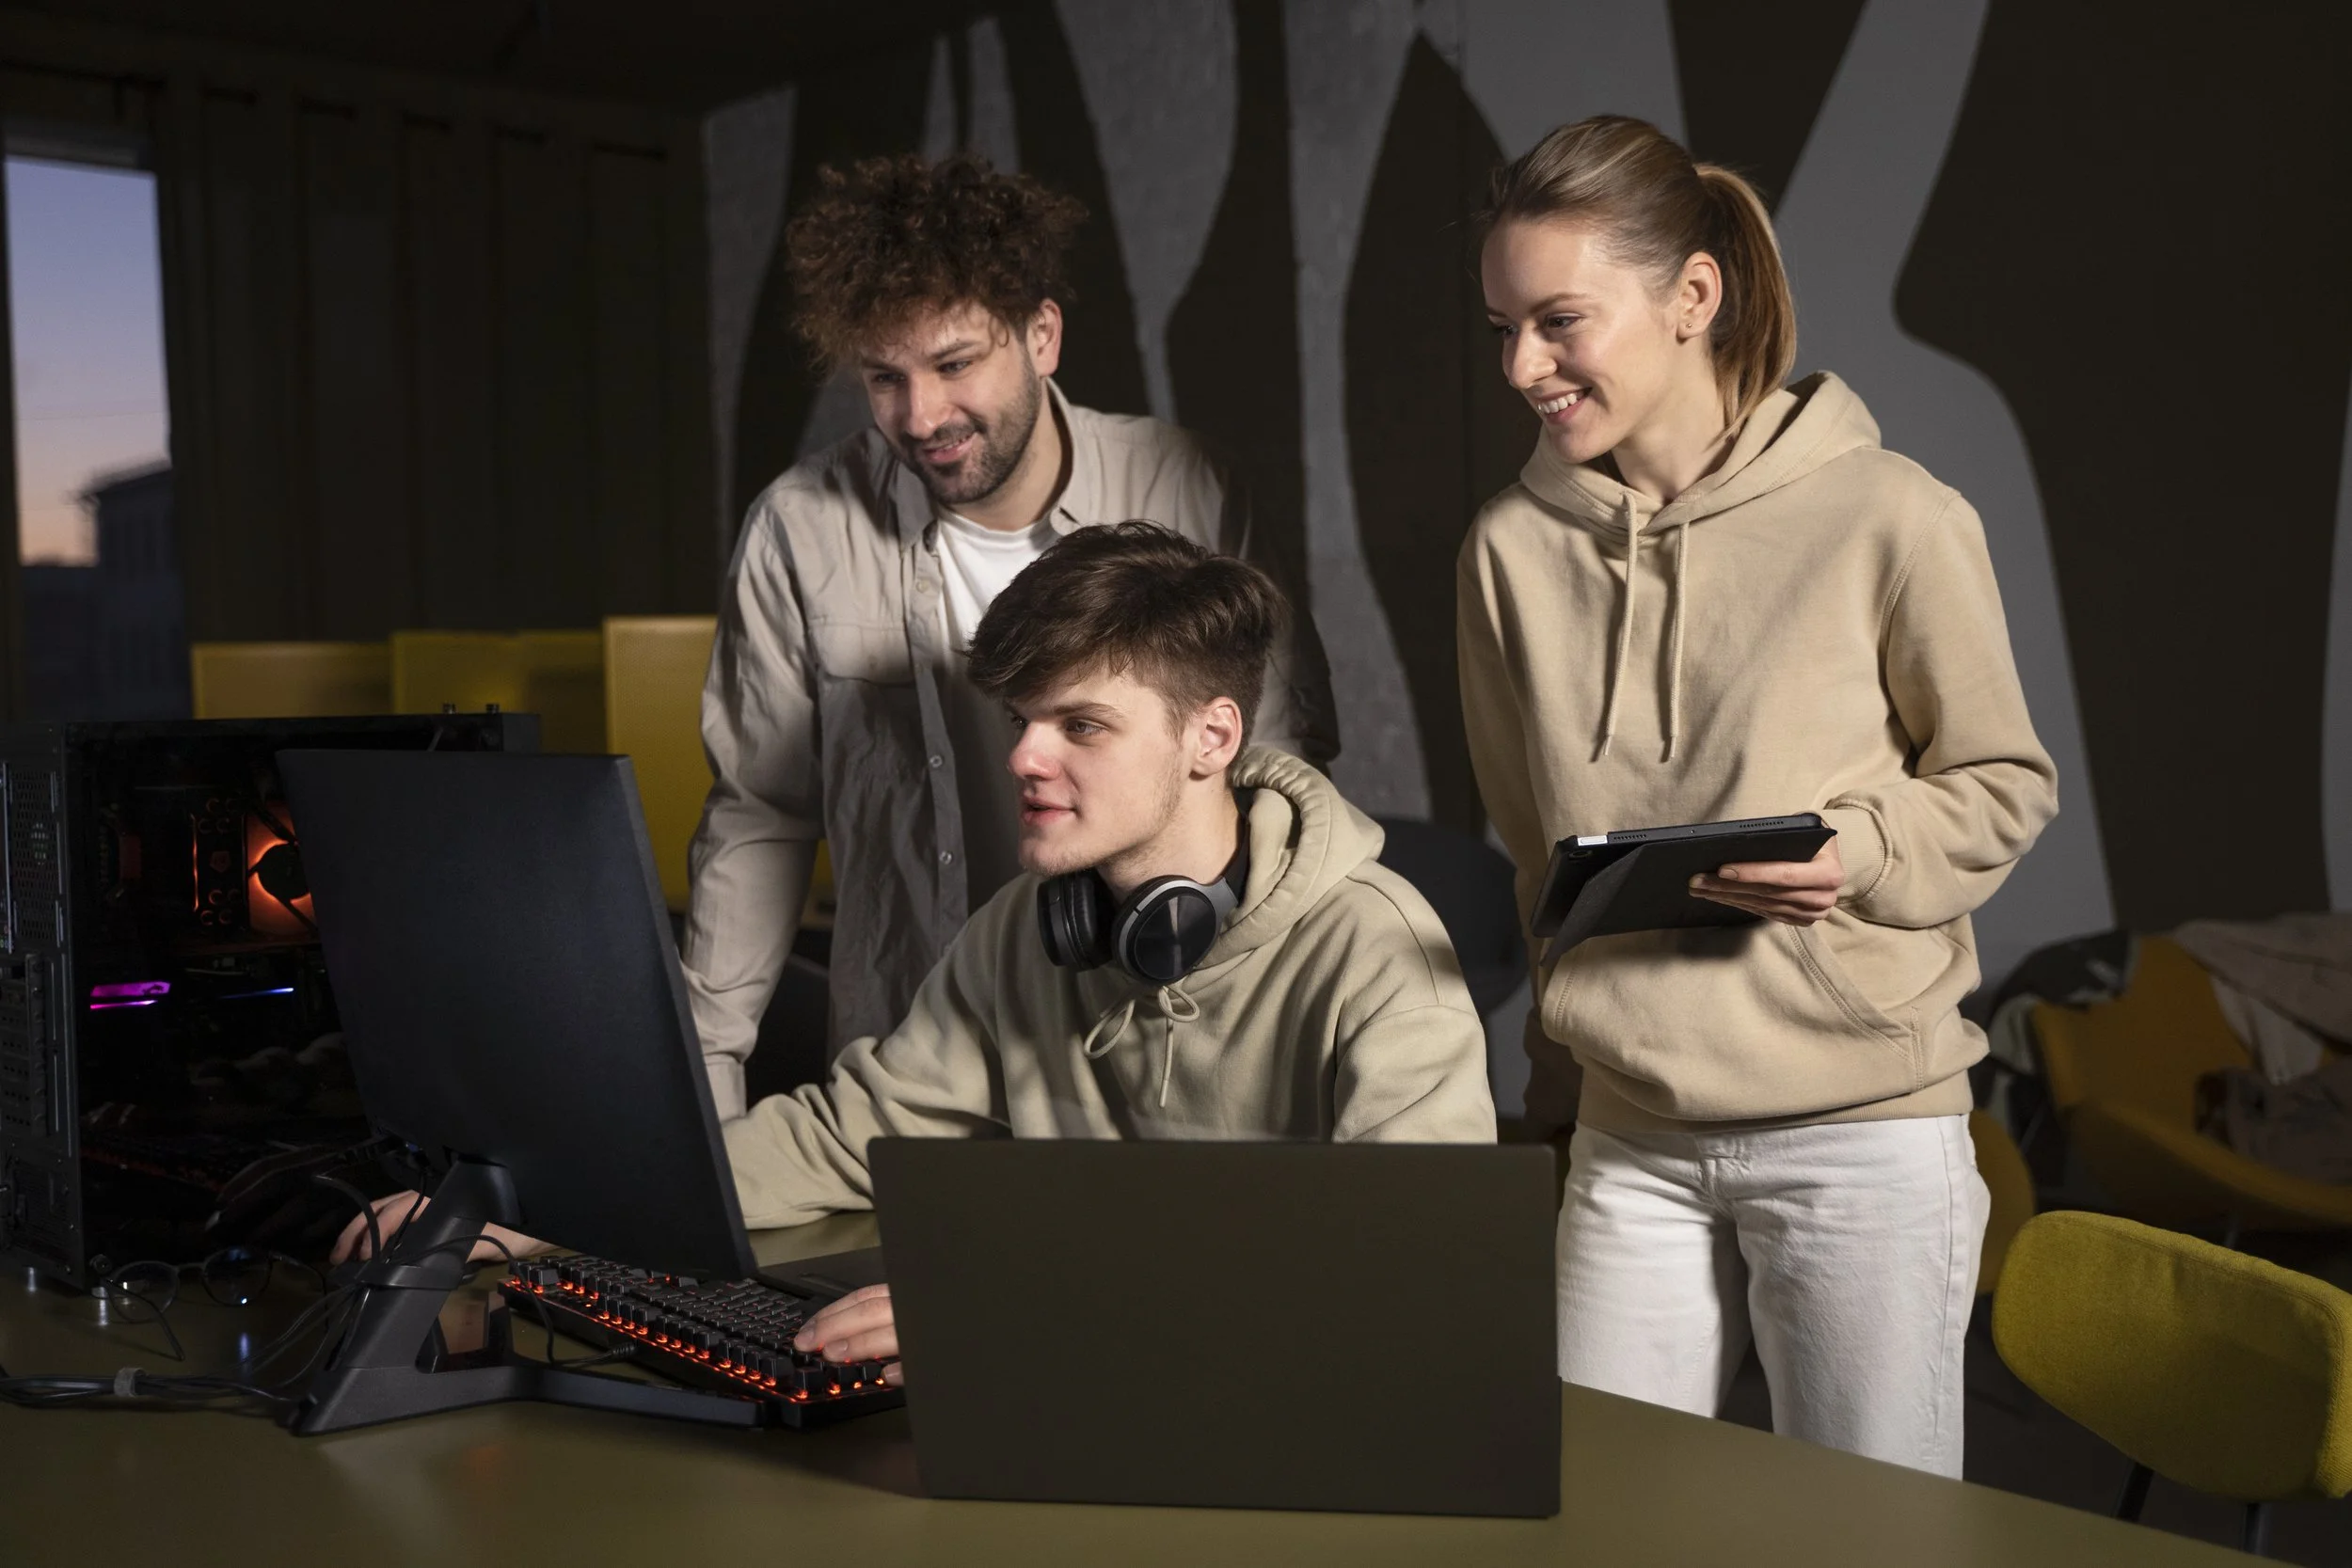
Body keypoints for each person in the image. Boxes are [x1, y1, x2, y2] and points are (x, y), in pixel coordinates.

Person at [333, 526, 1494, 1374]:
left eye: (1080, 724)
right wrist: (548, 1201)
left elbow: (1408, 1272)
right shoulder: (1024, 933)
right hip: (1078, 1401)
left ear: (1212, 736)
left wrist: (1009, 1312)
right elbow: (847, 1137)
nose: (1026, 758)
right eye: (1020, 721)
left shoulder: (1376, 954)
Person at [1459, 116, 2057, 1478]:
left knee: (1869, 1536)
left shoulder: (1890, 513)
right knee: (1605, 1516)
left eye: (1559, 321)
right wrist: (1561, 1087)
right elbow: (1529, 849)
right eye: (1501, 328)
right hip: (1627, 1134)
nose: (1522, 366)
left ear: (1692, 297)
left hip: (1861, 1135)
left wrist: (1861, 849)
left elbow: (2003, 785)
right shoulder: (1506, 552)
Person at [691, 152, 1337, 1119]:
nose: (921, 416)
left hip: (1148, 1059)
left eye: (954, 364)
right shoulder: (799, 527)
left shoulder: (1185, 485)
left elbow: (1282, 769)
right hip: (902, 1067)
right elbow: (759, 816)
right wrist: (704, 1081)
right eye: (884, 378)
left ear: (1042, 334)